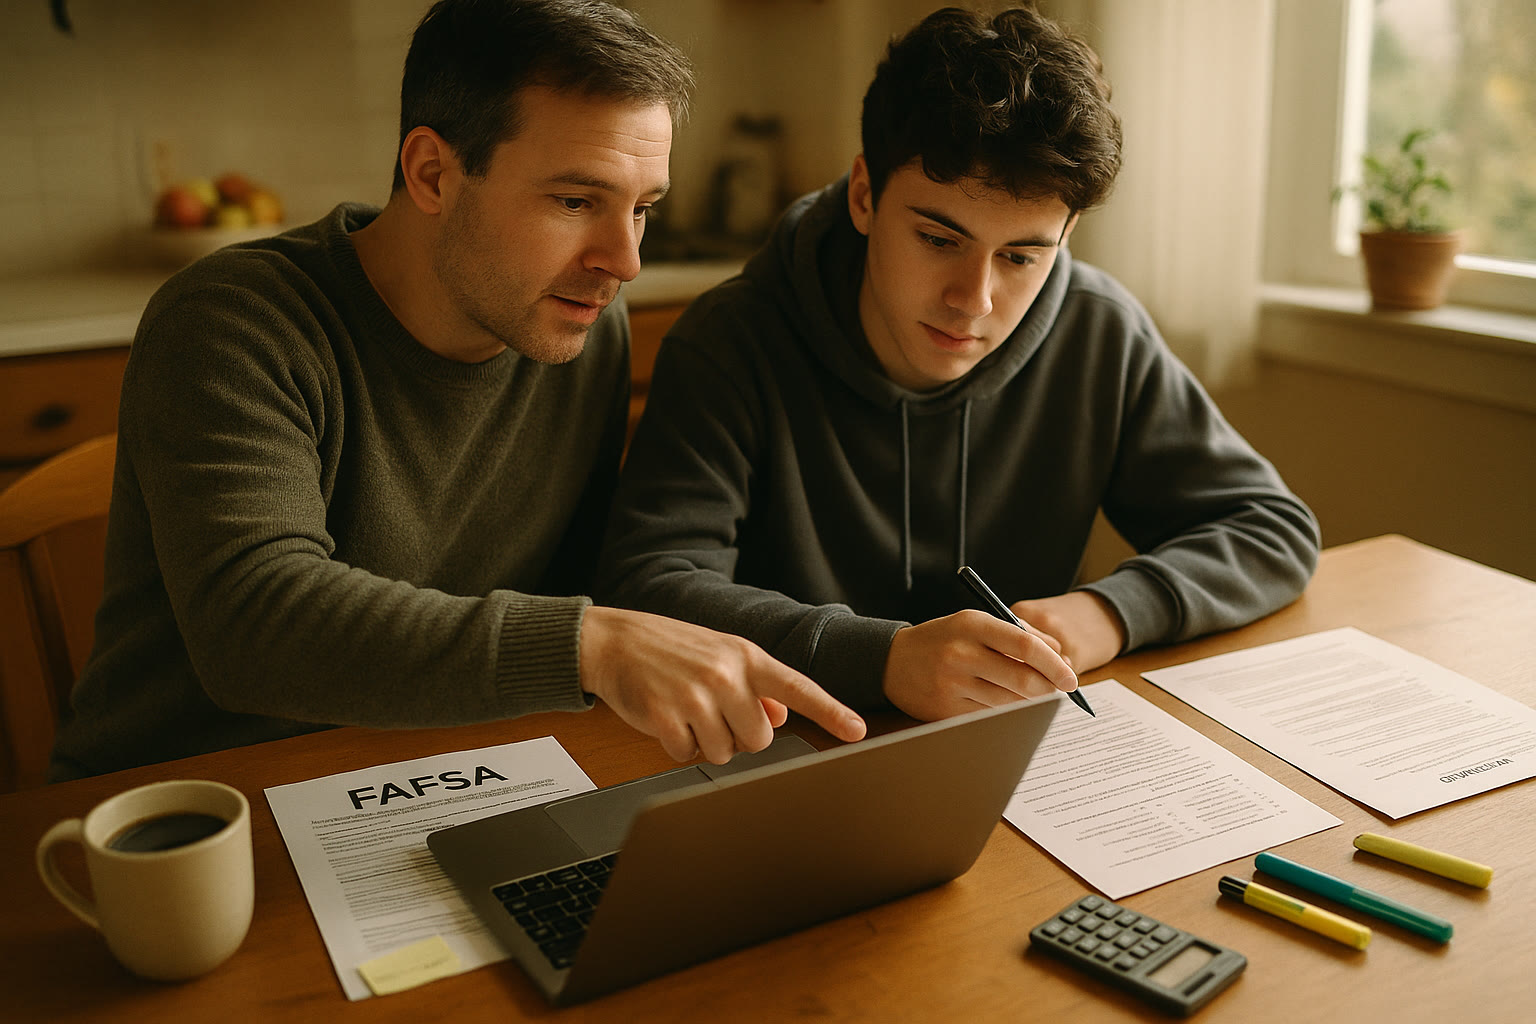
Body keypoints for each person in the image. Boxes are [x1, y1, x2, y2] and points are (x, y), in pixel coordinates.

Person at [50, 0, 865, 782]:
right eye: (576, 200)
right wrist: (594, 645)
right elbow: (255, 625)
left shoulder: (581, 331)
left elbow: (575, 584)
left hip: (439, 775)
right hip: (182, 814)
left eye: (642, 209)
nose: (624, 261)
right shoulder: (234, 321)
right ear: (433, 173)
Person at [597, 5, 1321, 723]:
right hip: (792, 747)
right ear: (863, 196)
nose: (973, 301)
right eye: (940, 240)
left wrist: (1102, 614)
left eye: (1021, 256)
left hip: (1012, 759)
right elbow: (649, 585)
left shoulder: (1099, 331)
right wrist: (881, 659)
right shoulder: (732, 339)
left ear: (1066, 239)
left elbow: (1270, 528)